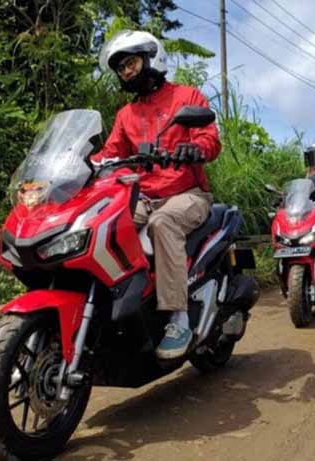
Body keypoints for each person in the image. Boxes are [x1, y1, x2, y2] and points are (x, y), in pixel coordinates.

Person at [90, 30, 221, 360]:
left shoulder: (186, 97)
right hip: (141, 197)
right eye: (121, 68)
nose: (126, 72)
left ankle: (178, 317)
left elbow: (210, 139)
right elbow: (111, 154)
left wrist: (195, 149)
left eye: (131, 63)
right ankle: (118, 305)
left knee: (163, 223)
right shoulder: (125, 115)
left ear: (153, 59)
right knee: (99, 224)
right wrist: (83, 167)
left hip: (187, 193)